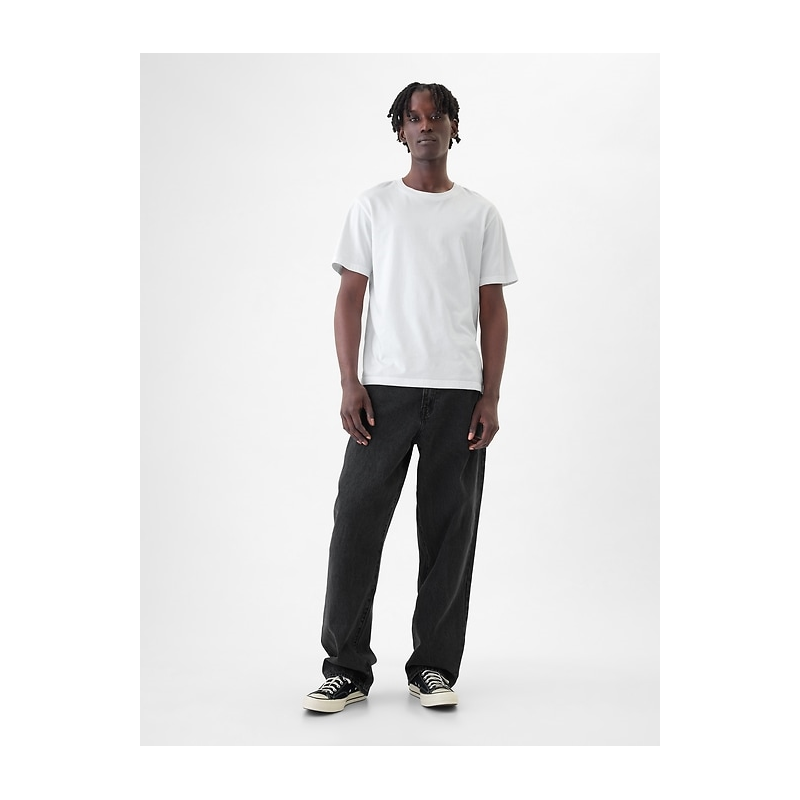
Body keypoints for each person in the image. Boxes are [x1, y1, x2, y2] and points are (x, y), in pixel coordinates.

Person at [303, 81, 518, 713]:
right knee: (356, 524)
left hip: (458, 394)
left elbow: (493, 310)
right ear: (400, 130)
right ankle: (346, 669)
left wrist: (490, 395)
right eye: (414, 117)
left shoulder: (480, 214)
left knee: (449, 534)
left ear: (454, 127)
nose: (426, 125)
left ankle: (434, 667)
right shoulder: (374, 206)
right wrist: (350, 382)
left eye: (437, 115)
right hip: (384, 394)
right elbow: (349, 298)